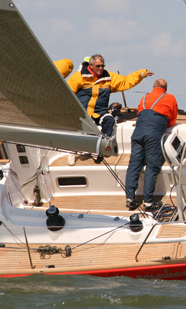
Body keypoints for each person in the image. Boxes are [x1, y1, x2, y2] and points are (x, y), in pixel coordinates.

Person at [67, 54, 154, 136]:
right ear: (91, 66)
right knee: (90, 125)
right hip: (84, 112)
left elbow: (125, 82)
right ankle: (89, 146)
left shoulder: (108, 77)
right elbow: (68, 94)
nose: (101, 68)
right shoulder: (79, 76)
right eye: (98, 66)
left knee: (110, 121)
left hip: (101, 111)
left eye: (102, 66)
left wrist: (141, 74)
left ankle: (103, 144)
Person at [125, 79, 178, 211]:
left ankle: (130, 198)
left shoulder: (144, 97)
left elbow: (139, 113)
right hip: (153, 134)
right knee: (152, 167)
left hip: (138, 132)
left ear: (153, 87)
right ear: (165, 89)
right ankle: (148, 202)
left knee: (134, 164)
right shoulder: (170, 98)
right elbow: (172, 120)